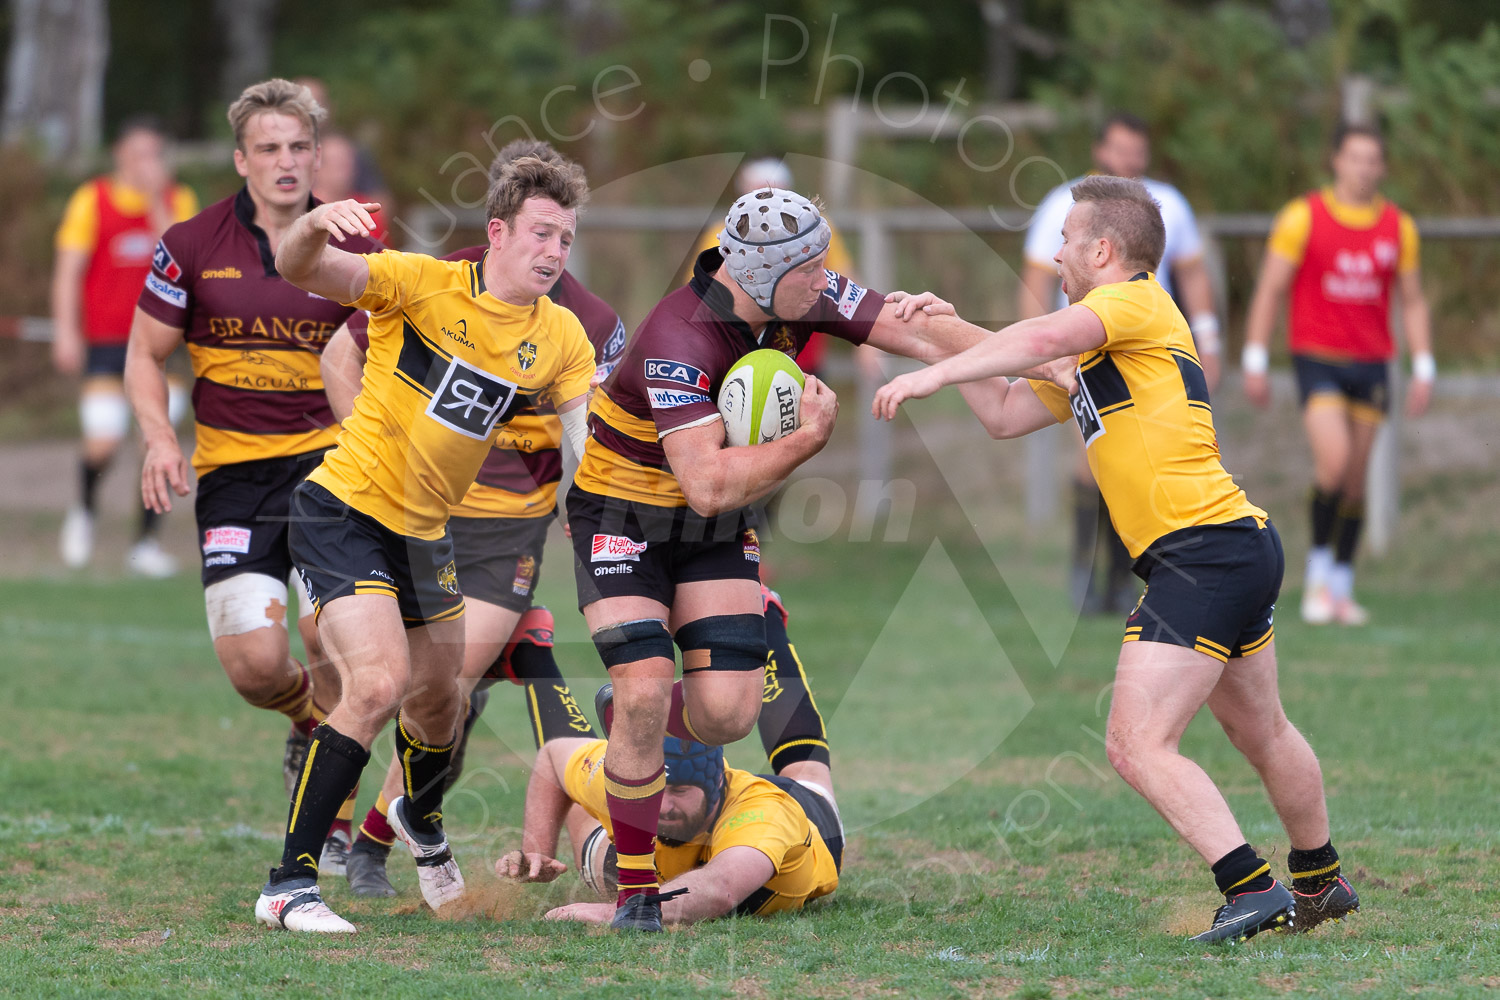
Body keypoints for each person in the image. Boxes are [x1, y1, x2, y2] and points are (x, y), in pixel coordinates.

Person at [873, 176, 1359, 943]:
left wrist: (933, 369)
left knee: (1136, 743)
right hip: (1231, 545)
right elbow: (1006, 407)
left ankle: (1251, 889)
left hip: (1202, 554)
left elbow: (1038, 342)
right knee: (1262, 731)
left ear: (1103, 251)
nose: (1056, 251)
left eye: (1065, 238)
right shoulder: (1106, 347)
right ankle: (1319, 878)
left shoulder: (1132, 301)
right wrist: (945, 328)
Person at [568, 185, 1031, 932]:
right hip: (624, 518)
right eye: (812, 270)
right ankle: (634, 898)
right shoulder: (677, 340)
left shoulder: (796, 287)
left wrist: (1049, 358)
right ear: (758, 273)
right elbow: (708, 483)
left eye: (823, 266)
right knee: (649, 689)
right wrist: (806, 442)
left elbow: (919, 334)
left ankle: (636, 717)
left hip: (710, 530)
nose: (827, 280)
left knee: (725, 716)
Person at [252, 152, 596, 934]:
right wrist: (310, 225)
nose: (553, 252)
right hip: (343, 510)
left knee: (441, 703)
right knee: (376, 684)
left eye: (567, 239)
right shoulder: (421, 282)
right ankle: (289, 886)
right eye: (542, 233)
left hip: (427, 532)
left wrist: (594, 504)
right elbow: (301, 268)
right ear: (498, 232)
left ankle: (422, 824)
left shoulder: (560, 335)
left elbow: (586, 441)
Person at [123, 81, 373, 862]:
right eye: (269, 148)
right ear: (241, 159)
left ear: (317, 155)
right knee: (258, 666)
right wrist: (161, 439)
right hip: (233, 477)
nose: (287, 162)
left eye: (300, 147)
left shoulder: (354, 244)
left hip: (331, 475)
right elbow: (142, 355)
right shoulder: (191, 244)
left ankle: (330, 827)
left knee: (329, 640)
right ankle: (306, 721)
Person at [500, 586, 842, 924]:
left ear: (714, 785)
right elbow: (552, 757)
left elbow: (721, 887)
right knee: (594, 827)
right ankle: (533, 652)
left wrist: (617, 913)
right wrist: (538, 850)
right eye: (657, 789)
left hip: (801, 821)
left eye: (678, 791)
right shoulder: (631, 776)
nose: (660, 805)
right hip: (663, 839)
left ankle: (760, 616)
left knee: (807, 772)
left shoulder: (767, 815)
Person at [1023, 112, 1222, 615]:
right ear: (1099, 152)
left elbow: (1193, 275)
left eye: (1137, 151)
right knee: (1094, 464)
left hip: (1147, 359)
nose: (1128, 160)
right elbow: (1034, 283)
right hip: (1081, 354)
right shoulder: (1066, 207)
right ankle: (1087, 575)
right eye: (1119, 150)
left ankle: (1124, 578)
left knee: (1134, 468)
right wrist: (1037, 352)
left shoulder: (1165, 206)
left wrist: (1210, 340)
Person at [1242, 123, 1433, 626]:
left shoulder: (1399, 227)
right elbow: (1269, 289)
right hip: (1317, 358)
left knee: (1354, 480)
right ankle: (1316, 575)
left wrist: (1424, 364)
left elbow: (1412, 300)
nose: (1364, 168)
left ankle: (1342, 587)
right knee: (1334, 462)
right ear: (1336, 161)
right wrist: (1256, 356)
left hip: (1372, 363)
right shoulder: (1303, 217)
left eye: (1373, 160)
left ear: (1383, 167)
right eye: (1355, 158)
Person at [53, 116, 198, 576]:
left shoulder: (178, 200)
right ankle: (85, 509)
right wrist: (65, 330)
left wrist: (155, 200)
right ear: (119, 155)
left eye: (155, 155)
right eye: (139, 154)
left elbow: (180, 256)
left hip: (164, 344)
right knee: (102, 440)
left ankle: (145, 545)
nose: (147, 164)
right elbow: (69, 270)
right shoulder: (91, 199)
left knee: (155, 440)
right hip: (107, 343)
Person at [679, 157, 857, 374]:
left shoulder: (817, 231)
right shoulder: (720, 237)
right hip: (737, 365)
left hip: (803, 362)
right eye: (759, 194)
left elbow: (847, 286)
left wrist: (865, 341)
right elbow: (696, 299)